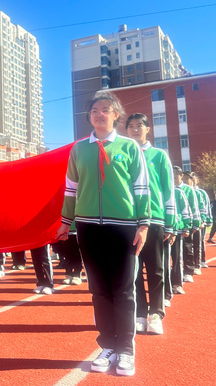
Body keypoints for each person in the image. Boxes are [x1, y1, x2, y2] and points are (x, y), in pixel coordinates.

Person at [57, 91, 150, 377]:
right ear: (89, 116)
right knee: (98, 290)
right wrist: (65, 221)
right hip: (87, 227)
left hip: (123, 227)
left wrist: (144, 223)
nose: (100, 113)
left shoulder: (129, 147)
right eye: (95, 110)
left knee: (123, 289)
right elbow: (71, 189)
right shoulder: (78, 150)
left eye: (106, 110)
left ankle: (126, 350)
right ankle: (107, 345)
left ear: (115, 115)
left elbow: (141, 187)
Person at [126, 113, 175, 335]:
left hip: (154, 220)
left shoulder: (159, 155)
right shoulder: (124, 154)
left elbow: (168, 189)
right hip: (128, 220)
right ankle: (139, 313)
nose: (135, 130)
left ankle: (156, 314)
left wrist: (171, 221)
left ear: (148, 129)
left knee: (155, 269)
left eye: (139, 126)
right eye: (131, 127)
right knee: (133, 270)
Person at [171, 166, 192, 295]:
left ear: (181, 176)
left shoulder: (180, 192)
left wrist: (187, 226)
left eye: (174, 176)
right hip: (162, 229)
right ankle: (166, 286)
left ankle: (177, 283)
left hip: (177, 229)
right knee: (163, 261)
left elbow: (186, 209)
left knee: (177, 257)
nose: (172, 178)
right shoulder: (160, 189)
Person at [180, 171, 201, 283]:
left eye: (189, 178)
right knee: (177, 251)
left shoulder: (189, 190)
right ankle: (178, 272)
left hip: (187, 222)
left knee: (188, 247)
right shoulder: (171, 188)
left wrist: (196, 222)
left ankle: (189, 271)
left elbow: (194, 206)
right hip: (176, 223)